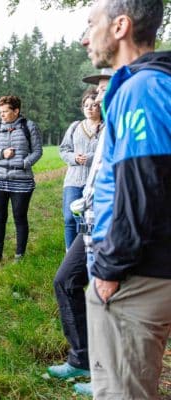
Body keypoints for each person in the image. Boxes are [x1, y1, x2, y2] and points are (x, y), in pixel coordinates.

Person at [82, 0, 171, 398]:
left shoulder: (141, 89)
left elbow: (139, 188)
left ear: (120, 27)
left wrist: (108, 268)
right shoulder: (153, 84)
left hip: (137, 275)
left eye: (91, 24)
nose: (85, 37)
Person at [46, 69, 112, 397]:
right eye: (95, 92)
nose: (95, 99)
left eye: (102, 90)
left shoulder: (127, 126)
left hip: (113, 229)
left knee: (107, 301)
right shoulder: (98, 128)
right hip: (90, 221)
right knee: (66, 281)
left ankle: (109, 380)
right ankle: (81, 358)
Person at [0, 95, 43, 266]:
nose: (2, 115)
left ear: (16, 111)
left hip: (21, 180)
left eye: (5, 111)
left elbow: (37, 151)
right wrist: (1, 153)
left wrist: (24, 163)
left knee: (19, 217)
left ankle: (19, 256)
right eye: (0, 112)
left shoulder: (28, 126)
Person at [59, 87, 103, 250]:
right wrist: (74, 158)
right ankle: (70, 253)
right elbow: (64, 150)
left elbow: (108, 152)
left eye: (93, 105)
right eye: (86, 106)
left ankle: (88, 252)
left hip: (95, 181)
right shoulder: (75, 126)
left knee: (88, 220)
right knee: (70, 218)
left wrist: (90, 159)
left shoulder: (106, 127)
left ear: (100, 106)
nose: (89, 109)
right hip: (73, 180)